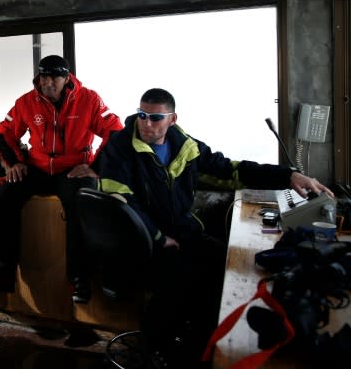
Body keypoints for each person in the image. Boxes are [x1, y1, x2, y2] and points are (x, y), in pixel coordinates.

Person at [97, 88, 335, 367]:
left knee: (228, 263)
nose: (147, 123)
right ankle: (152, 349)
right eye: (142, 115)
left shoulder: (186, 147)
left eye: (155, 117)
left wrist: (288, 175)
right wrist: (159, 238)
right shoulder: (120, 148)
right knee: (183, 275)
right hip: (141, 239)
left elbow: (231, 171)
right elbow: (120, 203)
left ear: (172, 119)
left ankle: (197, 343)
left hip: (183, 231)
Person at [0, 55, 124, 303]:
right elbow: (4, 133)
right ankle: (0, 269)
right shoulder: (27, 102)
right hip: (38, 167)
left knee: (82, 202)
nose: (48, 83)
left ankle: (80, 277)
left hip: (73, 168)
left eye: (54, 77)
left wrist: (95, 167)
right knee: (7, 194)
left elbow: (115, 131)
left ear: (66, 79)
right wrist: (14, 162)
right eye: (44, 77)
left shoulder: (88, 99)